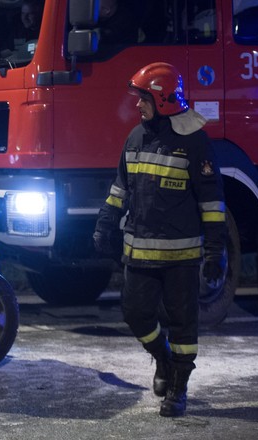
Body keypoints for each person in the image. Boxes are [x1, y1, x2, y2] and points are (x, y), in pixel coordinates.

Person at [93, 62, 227, 418]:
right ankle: (163, 360)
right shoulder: (135, 137)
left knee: (183, 324)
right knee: (135, 315)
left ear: (164, 100)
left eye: (144, 99)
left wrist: (215, 252)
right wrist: (105, 223)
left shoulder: (194, 142)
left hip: (181, 258)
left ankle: (179, 387)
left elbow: (212, 203)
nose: (138, 106)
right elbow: (121, 188)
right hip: (138, 251)